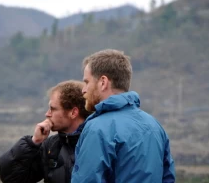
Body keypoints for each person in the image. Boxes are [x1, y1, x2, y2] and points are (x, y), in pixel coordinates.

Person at [71, 49, 176, 183]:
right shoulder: (155, 126)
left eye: (87, 82)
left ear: (103, 82)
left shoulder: (98, 129)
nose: (83, 90)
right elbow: (167, 178)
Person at [0, 80, 92, 183]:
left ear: (73, 112)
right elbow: (11, 178)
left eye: (53, 109)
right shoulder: (51, 147)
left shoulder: (96, 143)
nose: (47, 114)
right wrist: (33, 143)